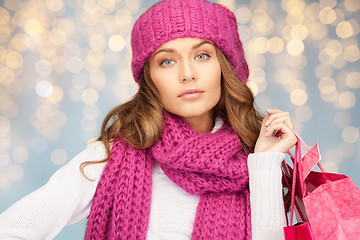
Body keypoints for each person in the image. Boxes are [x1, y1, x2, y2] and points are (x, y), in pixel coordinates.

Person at [0, 0, 297, 239]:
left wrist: (264, 163)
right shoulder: (111, 156)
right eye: (167, 61)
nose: (187, 73)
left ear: (225, 65)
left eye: (202, 56)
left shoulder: (253, 161)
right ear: (150, 78)